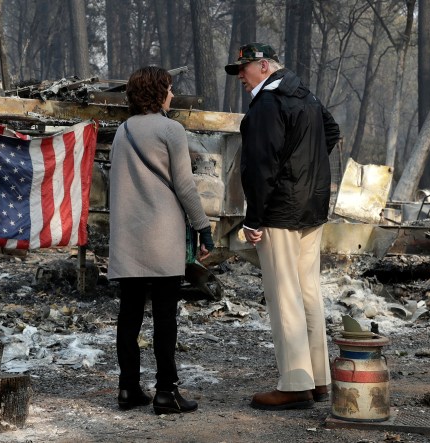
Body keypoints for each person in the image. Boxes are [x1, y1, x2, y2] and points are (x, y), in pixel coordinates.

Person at [225, 43, 341, 410]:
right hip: (312, 207)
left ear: (263, 66)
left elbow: (261, 166)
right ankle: (319, 379)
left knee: (284, 295)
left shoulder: (267, 104)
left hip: (279, 211)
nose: (240, 76)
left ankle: (294, 383)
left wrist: (254, 218)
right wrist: (306, 171)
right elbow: (331, 131)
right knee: (308, 292)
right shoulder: (304, 94)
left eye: (243, 69)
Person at [108, 66, 214, 414]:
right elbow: (184, 185)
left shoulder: (123, 131)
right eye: (168, 89)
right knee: (165, 317)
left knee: (129, 316)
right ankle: (166, 393)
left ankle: (127, 390)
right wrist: (202, 226)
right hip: (162, 235)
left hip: (128, 238)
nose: (171, 94)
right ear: (158, 92)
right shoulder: (171, 129)